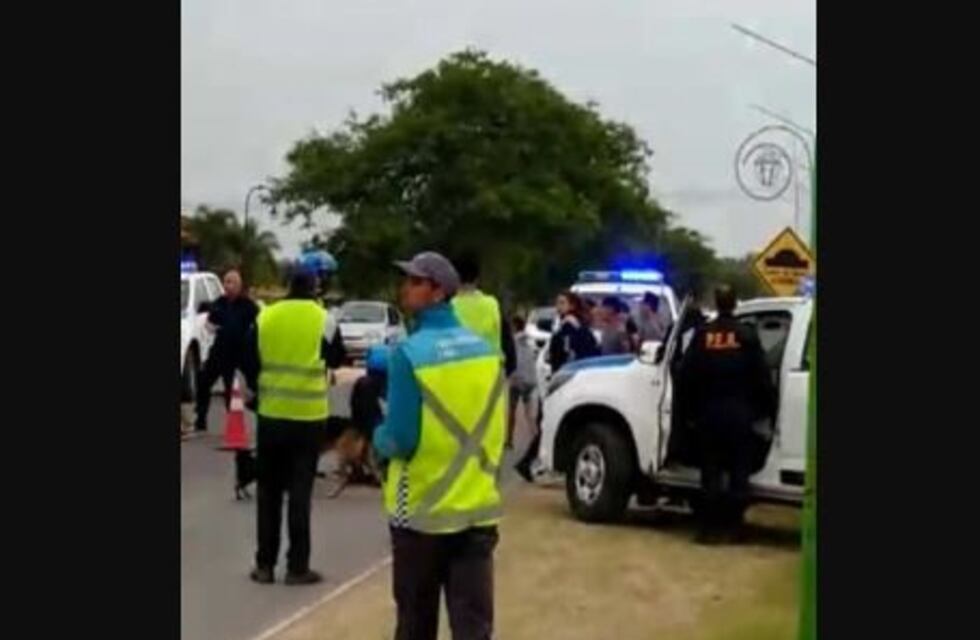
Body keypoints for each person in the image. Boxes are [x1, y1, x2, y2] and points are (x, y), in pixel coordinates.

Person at [373, 251, 506, 640]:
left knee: (415, 624)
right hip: (476, 512)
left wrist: (376, 437)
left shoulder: (408, 355)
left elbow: (399, 439)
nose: (405, 289)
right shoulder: (487, 354)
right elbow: (498, 425)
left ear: (437, 292)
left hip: (420, 514)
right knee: (473, 628)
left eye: (415, 282)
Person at [241, 265, 346, 585]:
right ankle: (297, 567)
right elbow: (338, 358)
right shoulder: (324, 319)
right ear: (314, 288)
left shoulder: (266, 317)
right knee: (300, 494)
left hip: (271, 416)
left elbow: (248, 360)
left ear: (287, 286)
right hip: (308, 419)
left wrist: (261, 387)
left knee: (268, 493)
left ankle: (264, 565)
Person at [678, 286, 776, 545]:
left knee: (710, 472)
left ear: (716, 303)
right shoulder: (747, 335)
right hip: (740, 414)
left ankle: (708, 529)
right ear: (734, 304)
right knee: (738, 473)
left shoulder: (703, 335)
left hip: (709, 413)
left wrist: (687, 412)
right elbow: (762, 377)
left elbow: (686, 375)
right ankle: (733, 528)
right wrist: (765, 410)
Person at [515, 291, 599, 482]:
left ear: (572, 305)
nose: (558, 307)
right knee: (550, 424)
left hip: (569, 382)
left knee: (551, 424)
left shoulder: (570, 329)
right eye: (557, 303)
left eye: (562, 303)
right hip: (567, 383)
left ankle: (531, 462)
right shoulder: (567, 327)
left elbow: (568, 355)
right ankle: (532, 463)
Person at [194, 268, 260, 432]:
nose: (227, 285)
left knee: (254, 384)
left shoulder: (248, 306)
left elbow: (259, 326)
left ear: (239, 285)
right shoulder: (219, 303)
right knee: (203, 381)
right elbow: (209, 324)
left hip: (243, 352)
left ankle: (260, 419)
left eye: (231, 282)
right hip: (220, 351)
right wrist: (213, 327)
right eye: (226, 282)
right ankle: (200, 419)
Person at [451, 254, 517, 378]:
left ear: (454, 279)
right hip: (491, 376)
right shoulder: (492, 305)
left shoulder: (448, 308)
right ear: (477, 279)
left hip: (458, 376)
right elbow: (509, 349)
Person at [507, 315, 537, 450]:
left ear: (514, 326)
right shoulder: (530, 341)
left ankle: (509, 439)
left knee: (512, 410)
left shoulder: (512, 341)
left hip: (517, 379)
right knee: (529, 413)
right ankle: (535, 439)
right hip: (530, 379)